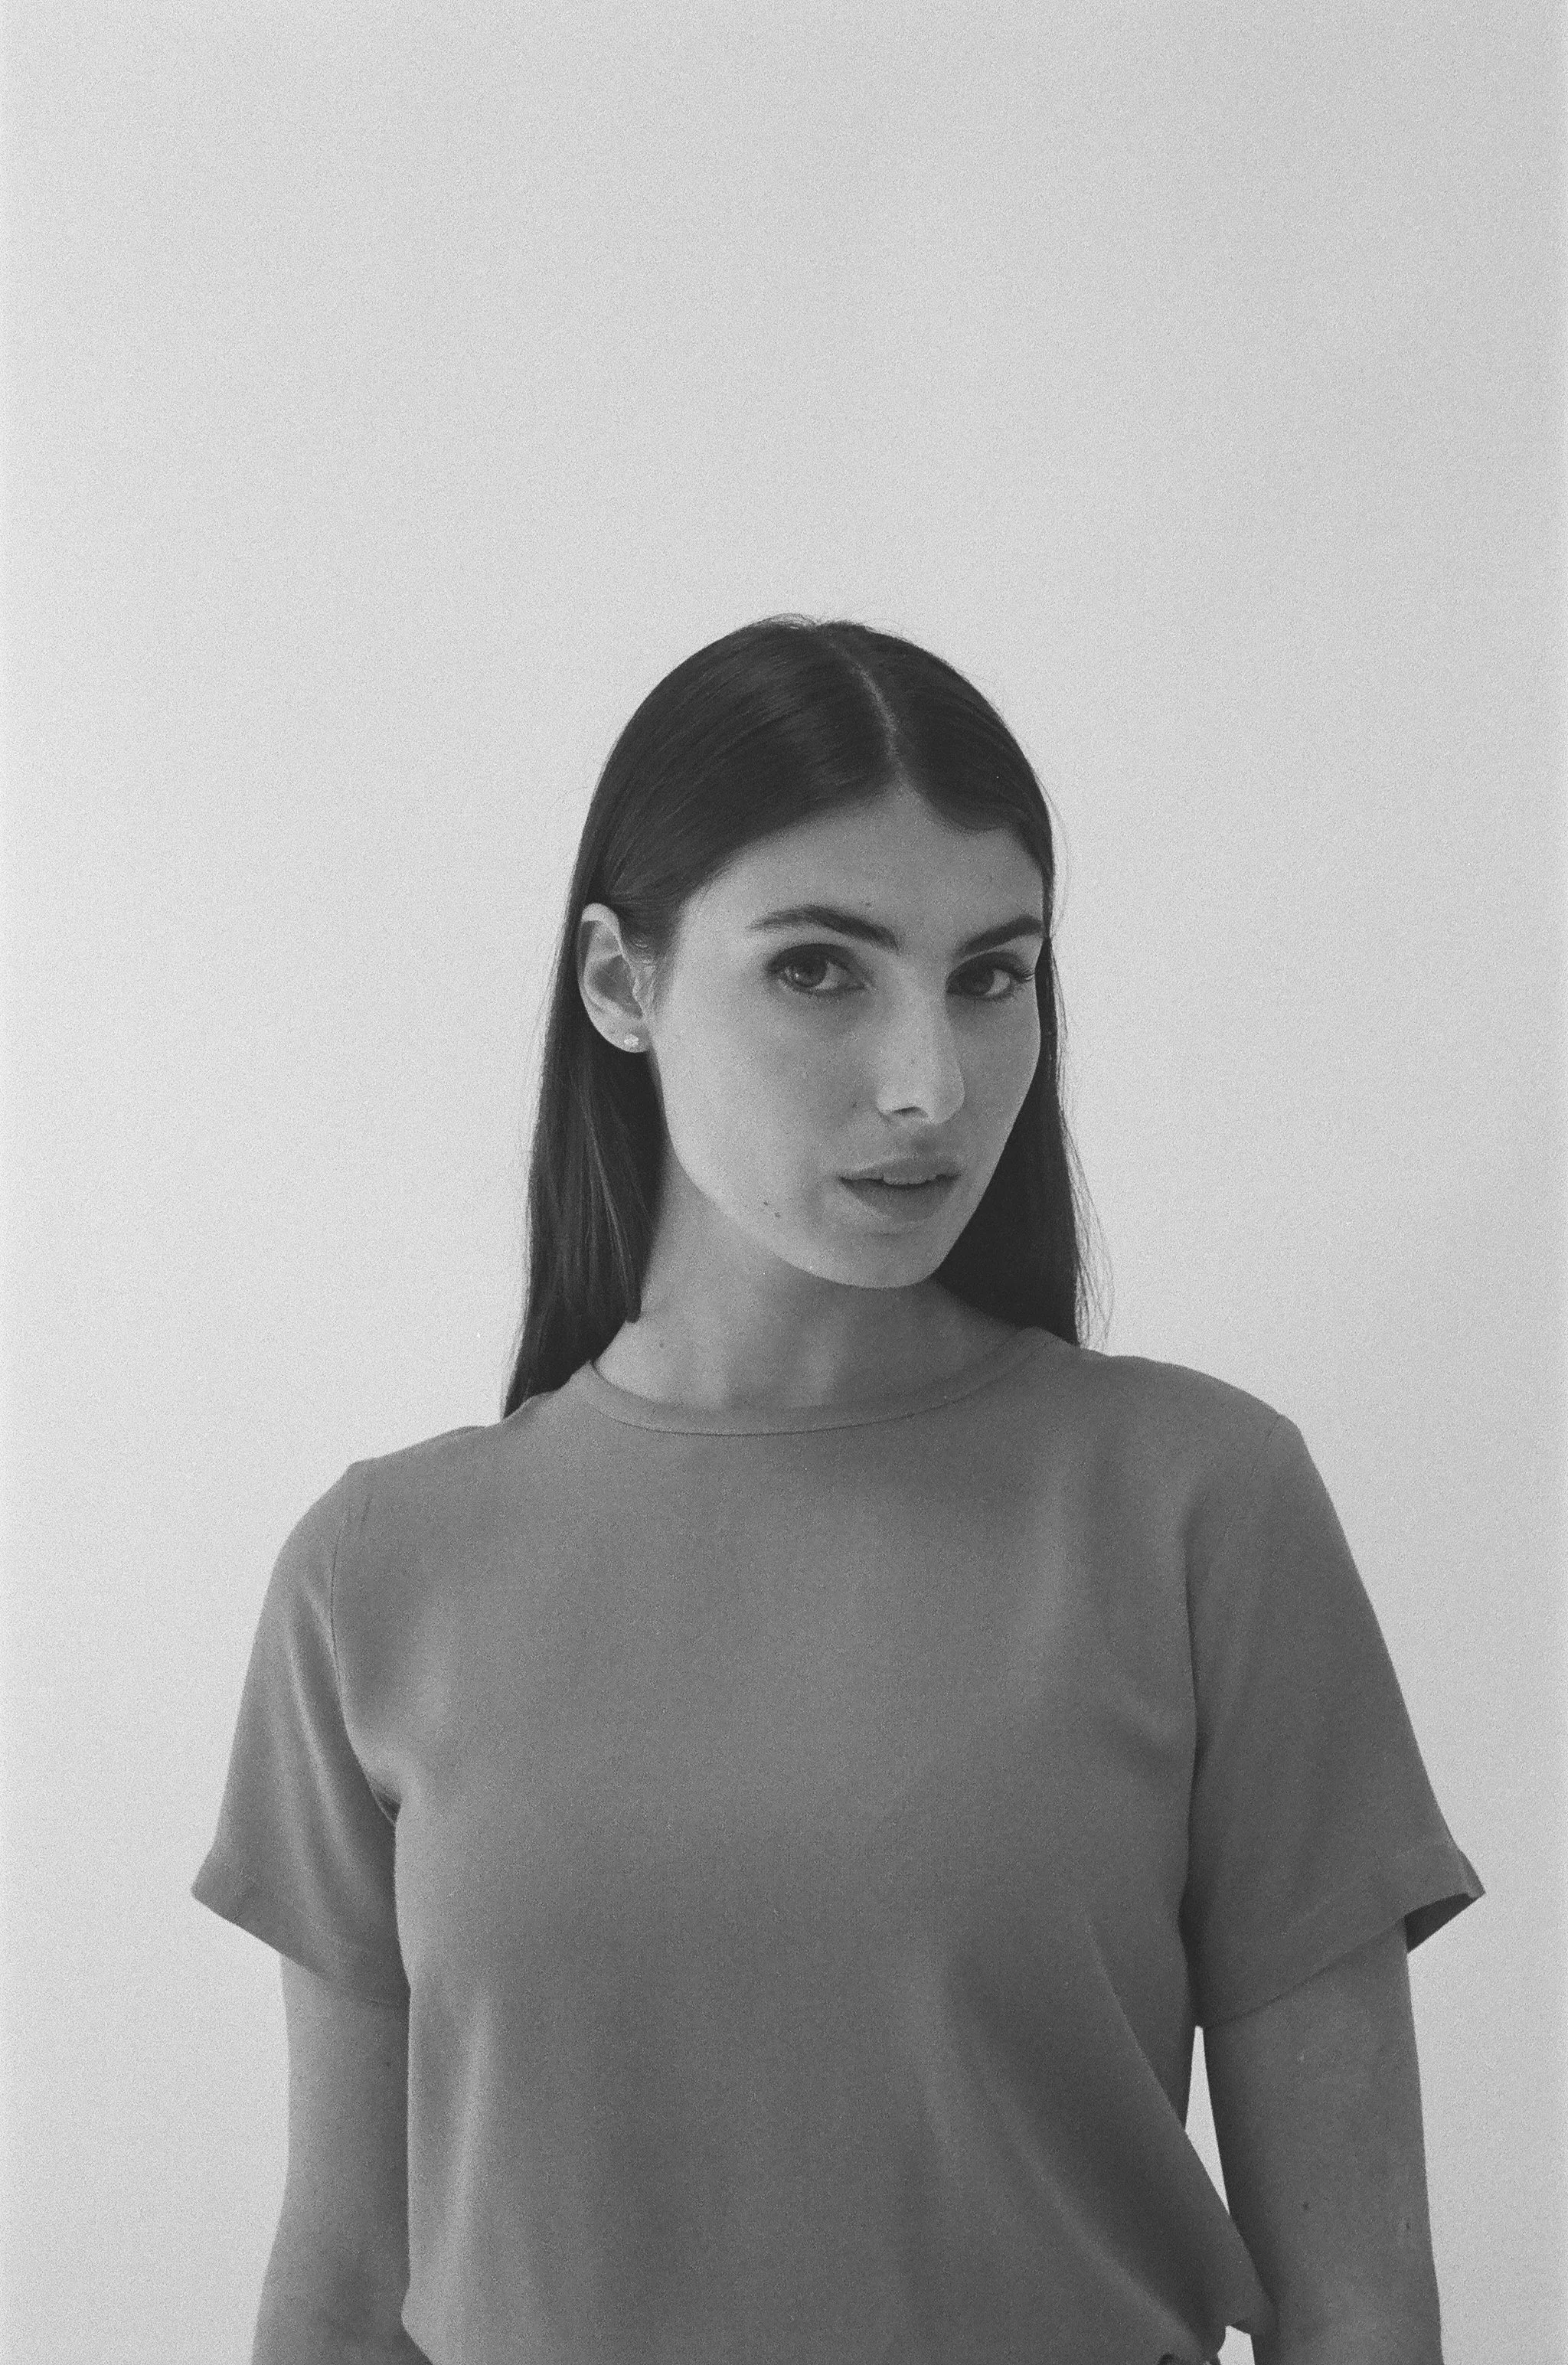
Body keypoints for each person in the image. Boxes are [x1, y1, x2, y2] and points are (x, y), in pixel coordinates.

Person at [191, 616, 1482, 2365]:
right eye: (819, 968)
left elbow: (1358, 2305)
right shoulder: (378, 1572)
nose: (929, 1082)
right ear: (619, 983)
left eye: (991, 976)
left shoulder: (1201, 1508)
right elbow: (349, 2291)